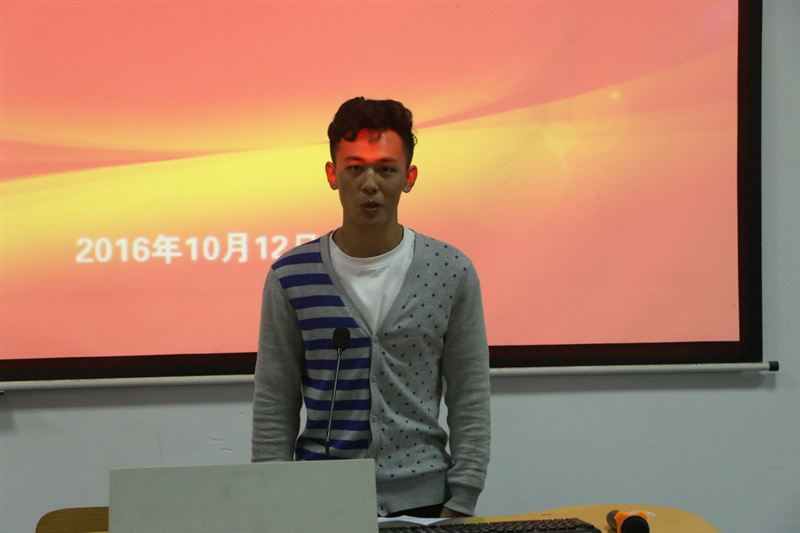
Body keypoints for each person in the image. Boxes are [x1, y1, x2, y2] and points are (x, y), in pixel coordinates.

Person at [252, 97, 490, 518]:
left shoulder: (450, 271)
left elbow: (469, 394)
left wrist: (462, 499)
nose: (370, 183)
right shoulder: (291, 275)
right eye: (355, 168)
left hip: (426, 500)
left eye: (386, 169)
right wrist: (273, 499)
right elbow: (275, 399)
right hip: (321, 501)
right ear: (332, 174)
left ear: (409, 177)